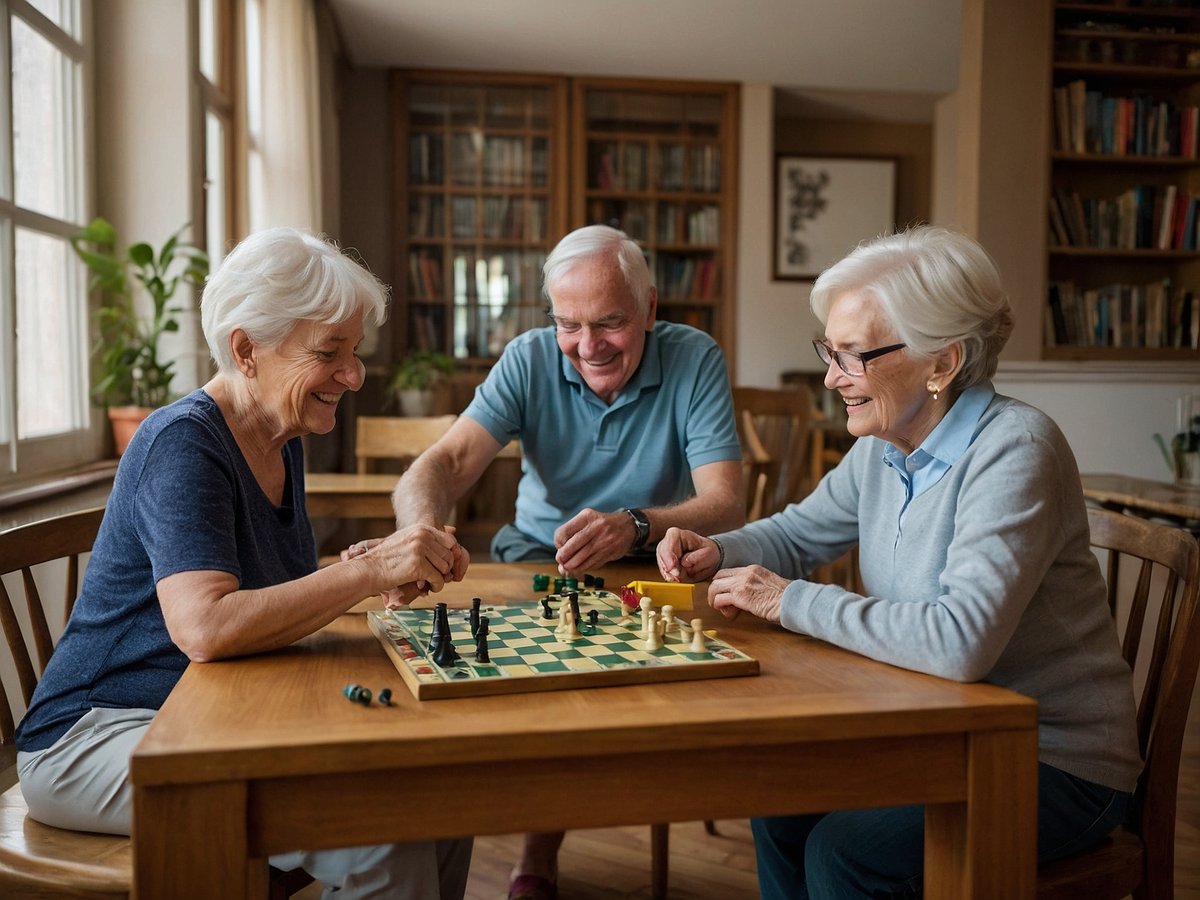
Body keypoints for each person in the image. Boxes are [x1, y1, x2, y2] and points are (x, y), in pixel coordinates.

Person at [656, 225, 1141, 899]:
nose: (831, 377)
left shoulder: (1015, 450)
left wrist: (788, 600)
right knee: (781, 801)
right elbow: (800, 533)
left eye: (852, 355)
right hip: (939, 726)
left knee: (845, 854)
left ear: (941, 363)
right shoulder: (889, 442)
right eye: (830, 350)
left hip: (1052, 758)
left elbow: (958, 642)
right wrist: (719, 551)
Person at [15, 227, 473, 900]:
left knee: (435, 791)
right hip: (94, 738)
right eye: (329, 352)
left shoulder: (281, 435)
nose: (354, 375)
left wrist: (365, 564)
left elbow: (267, 596)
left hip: (211, 714)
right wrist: (363, 576)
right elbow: (205, 627)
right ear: (245, 349)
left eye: (355, 352)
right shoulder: (182, 443)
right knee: (383, 823)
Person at [392, 223, 745, 900]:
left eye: (611, 322)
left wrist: (638, 523)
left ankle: (551, 836)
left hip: (652, 563)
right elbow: (441, 465)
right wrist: (417, 534)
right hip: (535, 560)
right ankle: (535, 845)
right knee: (536, 679)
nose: (588, 347)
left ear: (648, 309)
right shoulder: (528, 359)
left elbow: (725, 500)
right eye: (569, 324)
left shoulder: (695, 357)